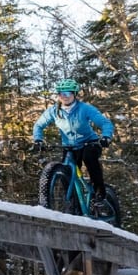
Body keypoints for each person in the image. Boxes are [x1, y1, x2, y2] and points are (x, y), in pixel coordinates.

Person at [31, 79, 115, 216]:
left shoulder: (85, 109)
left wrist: (106, 136)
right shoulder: (53, 111)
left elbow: (105, 123)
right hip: (69, 147)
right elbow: (38, 125)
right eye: (60, 93)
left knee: (89, 158)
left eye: (68, 93)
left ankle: (100, 193)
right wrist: (38, 139)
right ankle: (73, 205)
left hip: (90, 143)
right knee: (66, 172)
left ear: (74, 94)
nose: (64, 96)